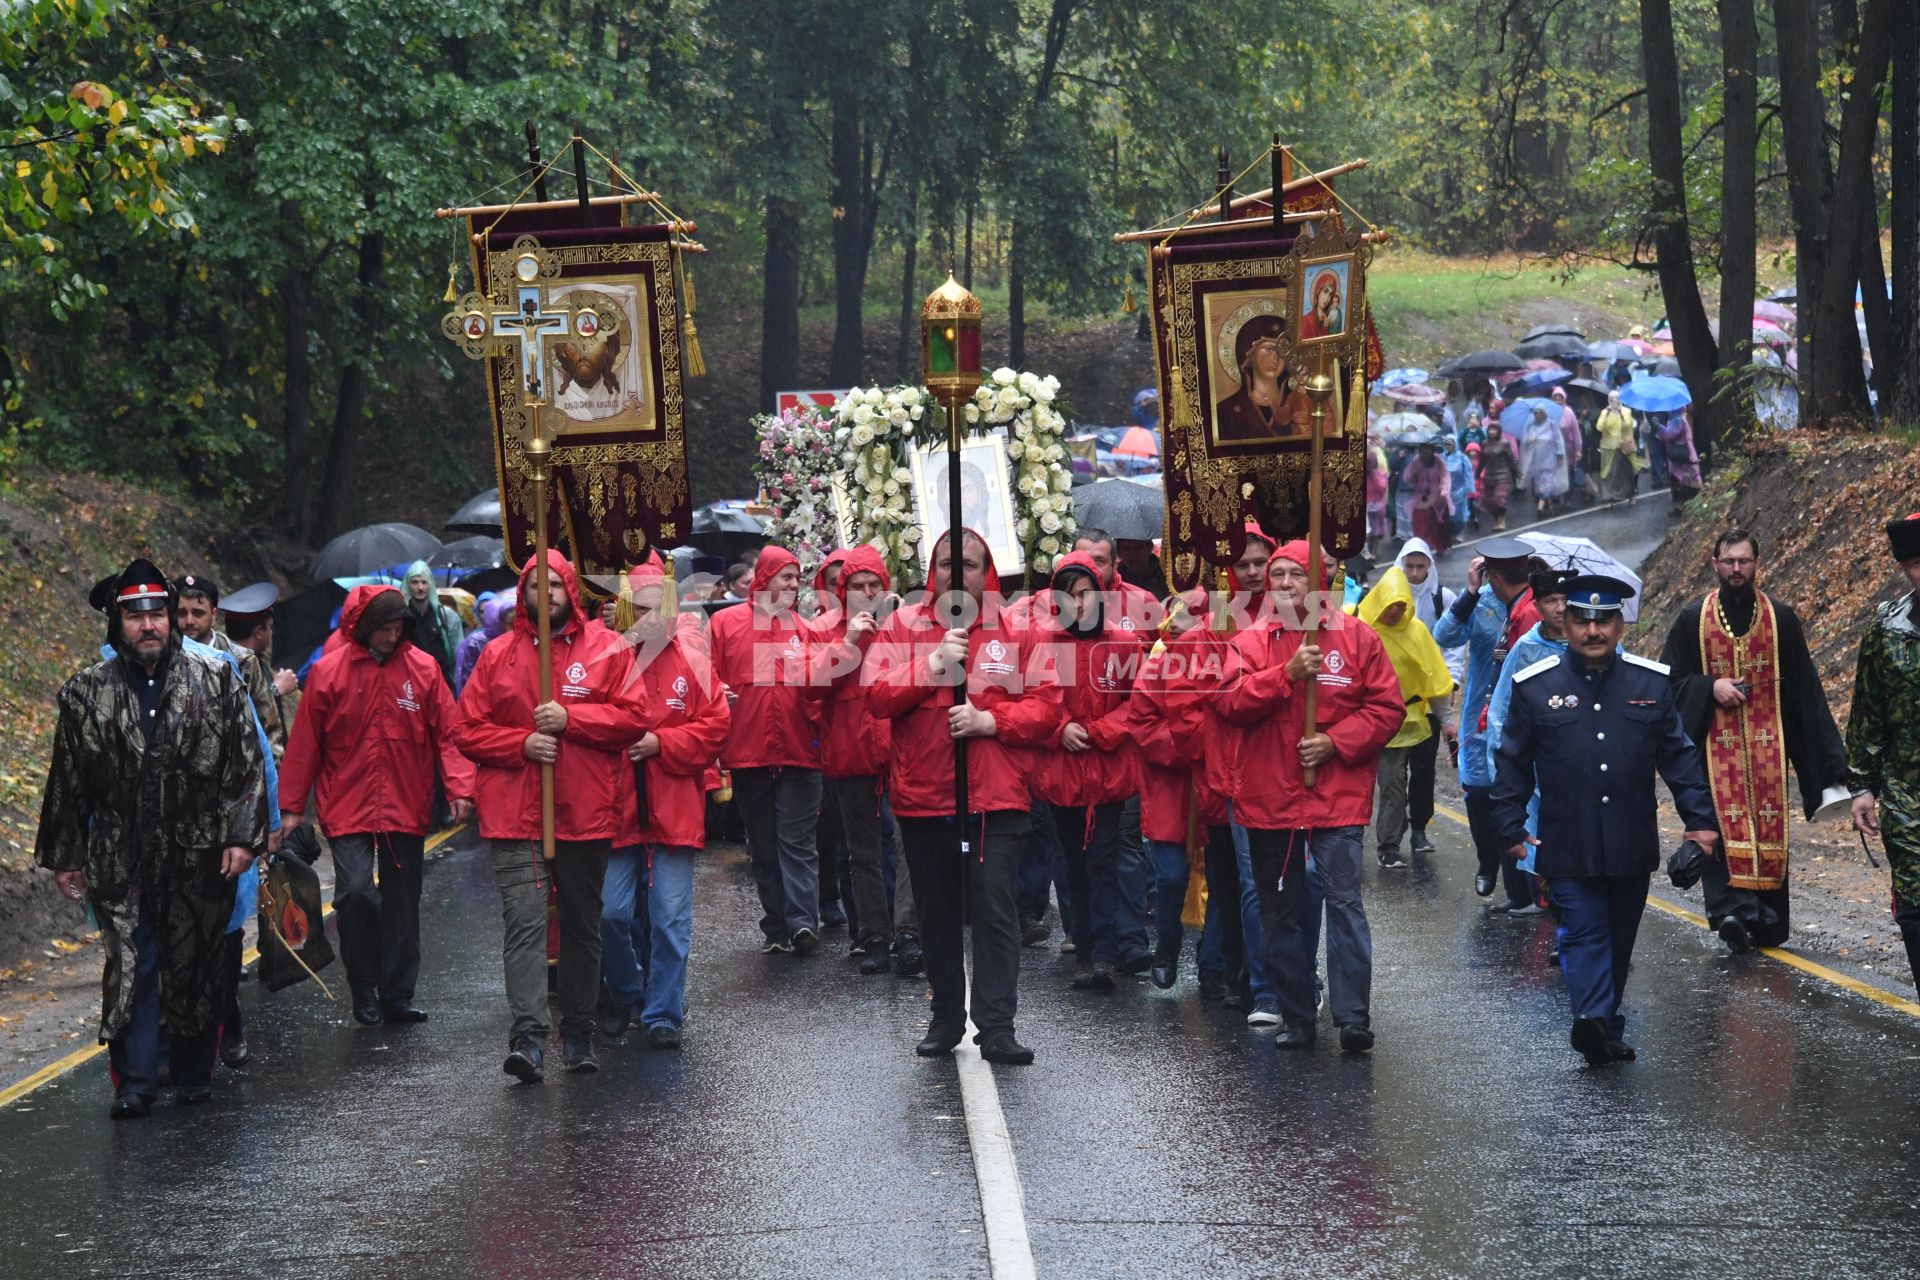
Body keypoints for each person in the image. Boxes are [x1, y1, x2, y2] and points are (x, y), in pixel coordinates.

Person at [37, 560, 268, 1118]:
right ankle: (135, 1082)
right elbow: (67, 777)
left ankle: (192, 1071)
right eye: (134, 614)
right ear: (116, 623)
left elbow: (244, 763)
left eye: (157, 613)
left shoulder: (214, 679)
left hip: (198, 848)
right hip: (122, 852)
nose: (149, 624)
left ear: (170, 619)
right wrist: (67, 855)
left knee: (196, 961)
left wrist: (242, 836)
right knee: (130, 962)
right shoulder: (85, 694)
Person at [1493, 576, 1719, 1065]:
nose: (1593, 630)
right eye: (1582, 620)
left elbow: (1680, 759)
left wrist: (1701, 823)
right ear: (1565, 623)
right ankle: (1591, 1017)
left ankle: (1605, 1027)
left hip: (1629, 839)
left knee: (1619, 936)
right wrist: (1508, 824)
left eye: (1604, 620)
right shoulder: (1536, 687)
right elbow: (1512, 760)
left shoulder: (1650, 683)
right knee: (1582, 928)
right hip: (1566, 840)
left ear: (1620, 625)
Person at [868, 528, 1064, 1064]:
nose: (960, 574)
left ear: (989, 572)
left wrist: (989, 720)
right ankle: (946, 1017)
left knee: (995, 911)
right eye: (950, 564)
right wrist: (930, 665)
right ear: (934, 570)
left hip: (995, 800)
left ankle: (997, 1025)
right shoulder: (905, 626)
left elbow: (1047, 707)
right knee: (936, 914)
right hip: (925, 797)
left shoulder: (1019, 629)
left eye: (972, 565)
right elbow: (877, 695)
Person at [454, 550, 652, 1082]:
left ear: (572, 591)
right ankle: (529, 1038)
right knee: (524, 924)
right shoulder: (498, 656)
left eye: (556, 586)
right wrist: (521, 743)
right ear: (524, 595)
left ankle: (580, 1032)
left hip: (584, 810)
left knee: (583, 925)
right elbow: (467, 729)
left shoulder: (608, 649)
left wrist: (572, 720)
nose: (548, 596)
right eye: (536, 587)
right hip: (515, 816)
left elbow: (635, 718)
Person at [1218, 540, 1404, 1052]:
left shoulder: (1358, 639)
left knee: (1344, 903)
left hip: (1337, 797)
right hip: (1270, 798)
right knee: (1279, 911)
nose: (1281, 583)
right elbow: (1229, 701)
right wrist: (1285, 676)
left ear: (1320, 582)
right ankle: (1297, 1013)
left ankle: (1352, 1017)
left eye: (1294, 575)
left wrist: (1335, 742)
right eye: (1275, 575)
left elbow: (1387, 708)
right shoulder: (1251, 641)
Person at [279, 584, 476, 1026]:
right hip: (346, 802)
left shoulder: (423, 670)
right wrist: (291, 807)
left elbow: (449, 733)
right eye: (384, 627)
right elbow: (305, 744)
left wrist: (460, 786)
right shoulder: (330, 672)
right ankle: (363, 984)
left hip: (406, 803)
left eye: (397, 626)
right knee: (355, 895)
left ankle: (397, 994)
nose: (392, 635)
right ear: (366, 627)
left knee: (403, 903)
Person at [1659, 530, 1851, 949]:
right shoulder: (1694, 619)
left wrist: (1831, 765)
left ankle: (1765, 918)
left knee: (1767, 827)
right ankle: (1731, 912)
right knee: (1722, 828)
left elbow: (1805, 692)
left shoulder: (1780, 618)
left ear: (1757, 563)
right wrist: (1709, 688)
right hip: (1714, 749)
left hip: (1769, 749)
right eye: (1728, 562)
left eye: (1744, 561)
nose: (1736, 570)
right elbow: (1669, 681)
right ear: (1715, 565)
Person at [603, 556, 730, 1047]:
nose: (650, 619)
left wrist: (663, 743)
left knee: (670, 917)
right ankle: (631, 991)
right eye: (640, 609)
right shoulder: (608, 658)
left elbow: (716, 723)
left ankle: (663, 1013)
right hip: (616, 809)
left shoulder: (691, 658)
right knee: (613, 914)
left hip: (673, 806)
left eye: (658, 608)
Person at [706, 545, 830, 955]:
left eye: (797, 578)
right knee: (762, 843)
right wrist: (716, 694)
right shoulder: (725, 625)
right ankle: (777, 924)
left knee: (796, 841)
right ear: (765, 578)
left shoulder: (806, 630)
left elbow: (819, 688)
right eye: (786, 577)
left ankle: (801, 923)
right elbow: (705, 676)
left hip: (798, 749)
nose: (794, 585)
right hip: (748, 750)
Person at [1033, 551, 1146, 991]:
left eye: (1086, 594)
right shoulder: (1043, 643)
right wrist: (1059, 729)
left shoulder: (1122, 643)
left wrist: (1097, 730)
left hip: (1107, 772)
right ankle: (1083, 946)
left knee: (1101, 860)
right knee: (1071, 862)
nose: (1079, 604)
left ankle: (1102, 953)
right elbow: (1030, 701)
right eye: (1070, 595)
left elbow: (1138, 704)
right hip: (1061, 772)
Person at [813, 545, 921, 976]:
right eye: (858, 586)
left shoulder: (901, 625)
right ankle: (873, 934)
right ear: (843, 591)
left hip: (900, 750)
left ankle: (908, 931)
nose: (867, 593)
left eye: (874, 585)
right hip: (852, 752)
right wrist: (848, 642)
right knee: (862, 853)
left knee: (906, 844)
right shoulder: (825, 629)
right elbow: (810, 684)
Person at [1131, 590, 1232, 991]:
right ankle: (1168, 943)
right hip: (1173, 788)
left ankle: (1213, 963)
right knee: (1172, 875)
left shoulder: (1226, 659)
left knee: (1225, 877)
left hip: (1217, 781)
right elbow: (1142, 724)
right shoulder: (1158, 665)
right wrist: (1188, 747)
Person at [1434, 538, 1541, 912]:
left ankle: (1519, 888)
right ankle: (1487, 860)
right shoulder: (1480, 602)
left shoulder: (1532, 608)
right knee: (1478, 796)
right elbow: (1443, 637)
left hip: (1514, 717)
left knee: (1512, 797)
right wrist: (1468, 593)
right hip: (1478, 716)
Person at [1848, 513, 1920, 987]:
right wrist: (1860, 786)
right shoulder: (1886, 627)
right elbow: (1868, 710)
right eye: (1915, 563)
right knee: (1914, 900)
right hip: (1906, 792)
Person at [1484, 566, 1576, 904]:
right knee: (1545, 846)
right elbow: (1501, 710)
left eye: (1566, 599)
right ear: (1538, 604)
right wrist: (1503, 769)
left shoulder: (1594, 643)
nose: (1560, 608)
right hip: (1539, 768)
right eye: (1551, 600)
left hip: (1584, 767)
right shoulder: (1525, 648)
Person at [1359, 567, 1455, 870]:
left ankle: (1418, 831)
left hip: (1419, 716)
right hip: (1381, 719)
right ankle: (1388, 845)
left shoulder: (1417, 632)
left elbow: (1435, 678)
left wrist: (1447, 720)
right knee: (1391, 783)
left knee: (1423, 777)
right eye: (1391, 606)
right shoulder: (1363, 631)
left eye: (1401, 606)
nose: (1395, 612)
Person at [219, 581, 296, 760]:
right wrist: (276, 690)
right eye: (270, 627)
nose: (272, 633)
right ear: (259, 631)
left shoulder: (256, 662)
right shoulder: (229, 665)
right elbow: (243, 718)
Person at [1214, 314, 1311, 442]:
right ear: (1250, 354)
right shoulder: (1226, 411)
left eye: (1282, 350)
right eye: (1269, 349)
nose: (1276, 358)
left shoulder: (1302, 402)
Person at [404, 560, 465, 687]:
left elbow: (458, 657)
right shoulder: (401, 619)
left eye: (424, 582)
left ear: (431, 584)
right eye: (415, 582)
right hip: (410, 689)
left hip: (443, 686)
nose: (420, 587)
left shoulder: (447, 617)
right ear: (408, 585)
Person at [1402, 439, 1454, 554]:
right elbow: (1407, 477)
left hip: (1438, 497)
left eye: (1427, 448)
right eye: (1422, 449)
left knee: (1438, 525)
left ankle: (1440, 547)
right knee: (1420, 522)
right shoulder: (1416, 462)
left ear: (1431, 449)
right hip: (1421, 497)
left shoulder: (1438, 461)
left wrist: (1444, 490)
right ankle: (1421, 547)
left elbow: (1446, 476)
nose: (1424, 451)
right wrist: (1411, 475)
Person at [454, 593, 510, 696]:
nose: (487, 614)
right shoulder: (474, 642)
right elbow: (466, 680)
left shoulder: (510, 638)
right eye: (482, 611)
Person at [1520, 406, 1568, 517]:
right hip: (1536, 460)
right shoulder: (1531, 426)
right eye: (1535, 413)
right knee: (1539, 482)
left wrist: (1560, 454)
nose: (1537, 415)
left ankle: (1540, 507)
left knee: (1547, 481)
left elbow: (1558, 440)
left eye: (1539, 413)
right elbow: (1524, 441)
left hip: (1549, 458)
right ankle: (1549, 505)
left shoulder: (1551, 425)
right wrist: (1529, 440)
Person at [1595, 391, 1640, 504]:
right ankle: (1608, 498)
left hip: (1624, 446)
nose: (1614, 402)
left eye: (1616, 399)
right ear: (1608, 401)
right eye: (1612, 399)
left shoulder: (1626, 411)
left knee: (1627, 472)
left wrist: (1620, 414)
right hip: (1609, 447)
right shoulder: (1604, 412)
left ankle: (1631, 495)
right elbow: (1599, 427)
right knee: (1608, 473)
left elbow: (1629, 425)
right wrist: (1607, 414)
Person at [1476, 421, 1522, 531]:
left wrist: (1518, 473)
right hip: (1489, 476)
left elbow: (1511, 460)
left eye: (1494, 430)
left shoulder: (1504, 443)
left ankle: (1502, 520)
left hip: (1502, 475)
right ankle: (1496, 520)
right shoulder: (1484, 443)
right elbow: (1482, 460)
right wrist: (1477, 473)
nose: (1492, 432)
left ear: (1499, 431)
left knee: (1499, 497)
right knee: (1490, 500)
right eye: (1490, 430)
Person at [1657, 408, 1701, 511]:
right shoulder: (1674, 419)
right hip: (1678, 454)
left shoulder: (1677, 420)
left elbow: (1669, 435)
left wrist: (1658, 426)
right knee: (1680, 479)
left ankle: (1687, 505)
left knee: (1685, 479)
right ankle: (1682, 506)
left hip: (1682, 454)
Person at [1551, 387, 1585, 503]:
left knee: (1569, 473)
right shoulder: (1549, 413)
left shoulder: (1569, 413)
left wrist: (1578, 449)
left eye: (1560, 398)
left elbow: (1575, 432)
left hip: (1568, 448)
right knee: (1556, 472)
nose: (1557, 400)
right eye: (1555, 398)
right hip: (1554, 449)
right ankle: (1556, 495)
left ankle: (1567, 498)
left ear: (1564, 399)